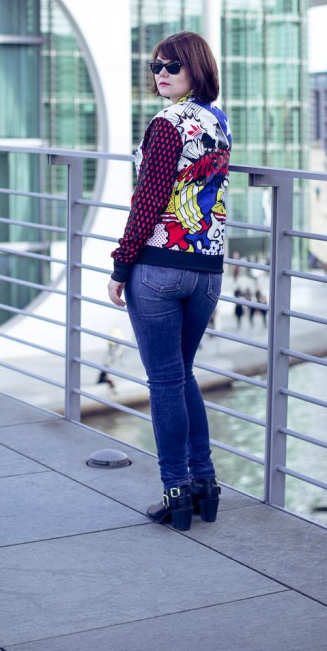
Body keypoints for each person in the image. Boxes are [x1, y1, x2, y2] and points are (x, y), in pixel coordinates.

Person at [108, 31, 231, 531]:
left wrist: (121, 265)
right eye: (156, 65)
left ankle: (175, 491)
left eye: (172, 66)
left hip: (159, 268)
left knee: (164, 381)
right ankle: (206, 486)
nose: (161, 73)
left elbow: (149, 200)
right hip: (207, 272)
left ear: (196, 68)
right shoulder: (218, 121)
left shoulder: (165, 124)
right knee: (183, 375)